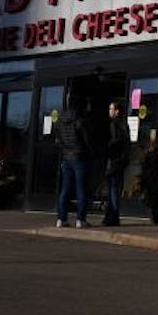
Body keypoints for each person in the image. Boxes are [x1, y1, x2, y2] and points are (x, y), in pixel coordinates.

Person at [54, 93, 92, 229]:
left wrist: (65, 150)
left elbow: (58, 140)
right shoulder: (80, 120)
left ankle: (61, 218)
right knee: (81, 188)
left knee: (65, 188)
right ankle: (80, 219)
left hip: (66, 157)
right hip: (79, 156)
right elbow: (87, 141)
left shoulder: (60, 120)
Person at [102, 101, 131, 226]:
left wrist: (106, 148)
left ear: (117, 111)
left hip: (114, 160)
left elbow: (115, 141)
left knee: (112, 189)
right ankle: (112, 215)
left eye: (111, 109)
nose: (110, 111)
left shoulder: (114, 124)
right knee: (115, 188)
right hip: (122, 160)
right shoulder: (125, 125)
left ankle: (113, 216)